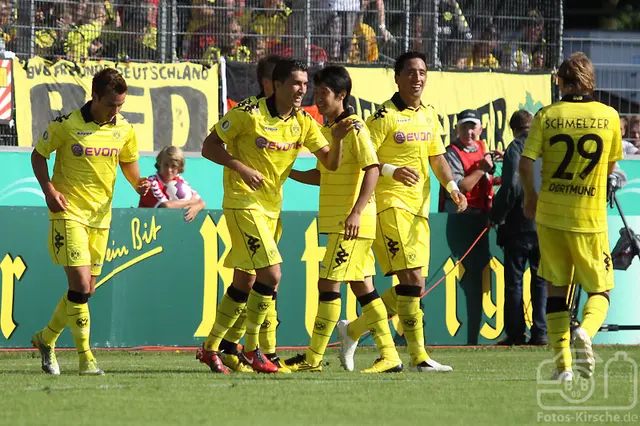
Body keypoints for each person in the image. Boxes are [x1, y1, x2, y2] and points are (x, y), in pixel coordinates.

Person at [198, 58, 351, 374]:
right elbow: (208, 147)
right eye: (296, 83)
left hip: (271, 210)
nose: (302, 90)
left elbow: (331, 165)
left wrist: (336, 139)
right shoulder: (247, 113)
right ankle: (252, 348)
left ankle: (211, 348)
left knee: (247, 278)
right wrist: (239, 166)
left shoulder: (304, 123)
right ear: (277, 84)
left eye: (305, 84)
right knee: (273, 274)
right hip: (243, 203)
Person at [337, 51, 468, 372]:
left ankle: (353, 329)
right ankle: (418, 356)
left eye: (422, 72)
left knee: (414, 286)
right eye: (410, 72)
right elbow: (360, 156)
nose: (417, 78)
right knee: (410, 279)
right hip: (389, 206)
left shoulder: (429, 115)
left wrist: (452, 188)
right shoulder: (383, 117)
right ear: (397, 78)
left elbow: (437, 158)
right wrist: (391, 169)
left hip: (418, 210)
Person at [30, 68, 149, 376]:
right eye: (111, 104)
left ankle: (47, 338)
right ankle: (86, 359)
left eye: (121, 105)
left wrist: (140, 186)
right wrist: (49, 190)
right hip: (68, 213)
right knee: (80, 286)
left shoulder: (124, 129)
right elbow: (39, 155)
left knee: (86, 291)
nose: (116, 111)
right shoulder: (67, 125)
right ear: (94, 97)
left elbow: (129, 165)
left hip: (101, 217)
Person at [284, 66, 403, 373]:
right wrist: (287, 173)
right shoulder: (331, 131)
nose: (317, 99)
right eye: (316, 92)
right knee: (364, 287)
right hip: (343, 221)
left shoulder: (354, 127)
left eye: (323, 94)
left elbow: (373, 168)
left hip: (350, 223)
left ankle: (312, 358)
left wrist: (356, 211)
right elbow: (325, 176)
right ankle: (390, 355)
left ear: (341, 95)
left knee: (328, 283)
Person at [520, 52, 623, 382]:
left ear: (561, 83)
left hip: (550, 216)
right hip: (588, 219)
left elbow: (525, 163)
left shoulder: (546, 115)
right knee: (601, 291)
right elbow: (610, 169)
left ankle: (563, 367)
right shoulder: (609, 117)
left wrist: (530, 199)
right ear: (590, 81)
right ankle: (587, 332)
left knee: (554, 290)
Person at [490, 110, 548, 346]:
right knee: (541, 280)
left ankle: (515, 333)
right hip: (543, 224)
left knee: (514, 282)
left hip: (518, 225)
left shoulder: (516, 147)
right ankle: (541, 331)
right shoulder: (543, 146)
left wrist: (497, 215)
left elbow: (512, 186)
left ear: (513, 128)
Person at [138, 146, 206, 222]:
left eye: (173, 166)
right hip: (147, 226)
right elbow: (166, 206)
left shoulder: (180, 181)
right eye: (166, 165)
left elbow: (201, 202)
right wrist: (190, 202)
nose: (169, 170)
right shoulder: (152, 182)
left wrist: (196, 208)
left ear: (180, 167)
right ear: (160, 163)